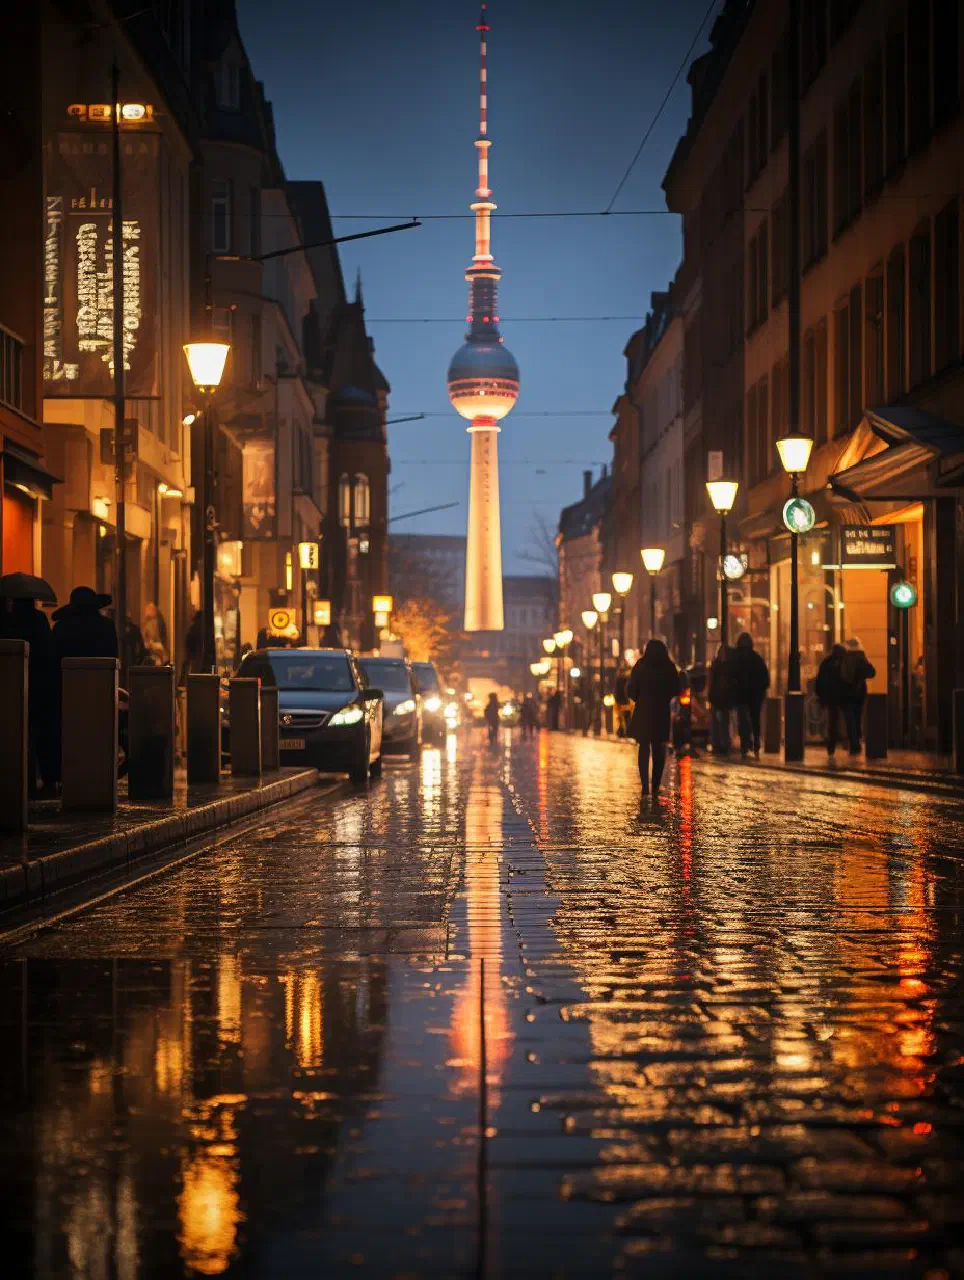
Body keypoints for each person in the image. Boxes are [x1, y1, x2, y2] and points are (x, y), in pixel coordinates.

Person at [0, 595, 57, 792]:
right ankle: (42, 780)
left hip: (13, 684)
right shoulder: (38, 619)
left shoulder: (8, 621)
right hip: (40, 684)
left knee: (17, 733)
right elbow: (48, 650)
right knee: (39, 733)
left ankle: (21, 781)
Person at [627, 639, 681, 799]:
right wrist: (664, 697)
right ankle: (655, 785)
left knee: (644, 748)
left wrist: (640, 698)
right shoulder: (668, 667)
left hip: (643, 710)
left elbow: (631, 689)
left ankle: (645, 786)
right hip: (661, 711)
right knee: (659, 749)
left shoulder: (641, 666)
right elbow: (676, 688)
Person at [730, 632, 770, 758]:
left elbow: (732, 677)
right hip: (754, 695)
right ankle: (755, 743)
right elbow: (765, 678)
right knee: (754, 720)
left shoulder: (736, 659)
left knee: (743, 721)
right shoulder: (756, 658)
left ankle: (745, 744)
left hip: (743, 695)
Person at [52, 586, 118, 661]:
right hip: (100, 671)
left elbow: (55, 657)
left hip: (70, 672)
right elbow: (113, 655)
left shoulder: (60, 627)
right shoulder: (107, 625)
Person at [838, 636, 876, 755]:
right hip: (859, 693)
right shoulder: (861, 657)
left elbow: (841, 675)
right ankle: (856, 741)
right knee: (857, 717)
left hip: (847, 692)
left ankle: (853, 742)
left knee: (849, 719)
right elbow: (872, 672)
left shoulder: (845, 657)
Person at [816, 643, 845, 756]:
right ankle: (843, 743)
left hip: (831, 697)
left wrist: (820, 696)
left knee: (833, 722)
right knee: (839, 721)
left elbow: (820, 680)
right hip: (839, 697)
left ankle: (832, 745)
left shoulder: (826, 662)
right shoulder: (842, 662)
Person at [708, 644, 733, 754]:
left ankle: (723, 744)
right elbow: (712, 684)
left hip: (724, 700)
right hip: (718, 699)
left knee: (723, 723)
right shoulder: (717, 667)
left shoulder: (723, 667)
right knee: (718, 723)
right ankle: (718, 744)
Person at [614, 662, 631, 738]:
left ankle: (623, 732)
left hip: (622, 701)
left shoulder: (621, 679)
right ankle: (624, 732)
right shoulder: (625, 679)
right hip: (623, 701)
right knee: (625, 717)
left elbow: (617, 691)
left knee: (623, 717)